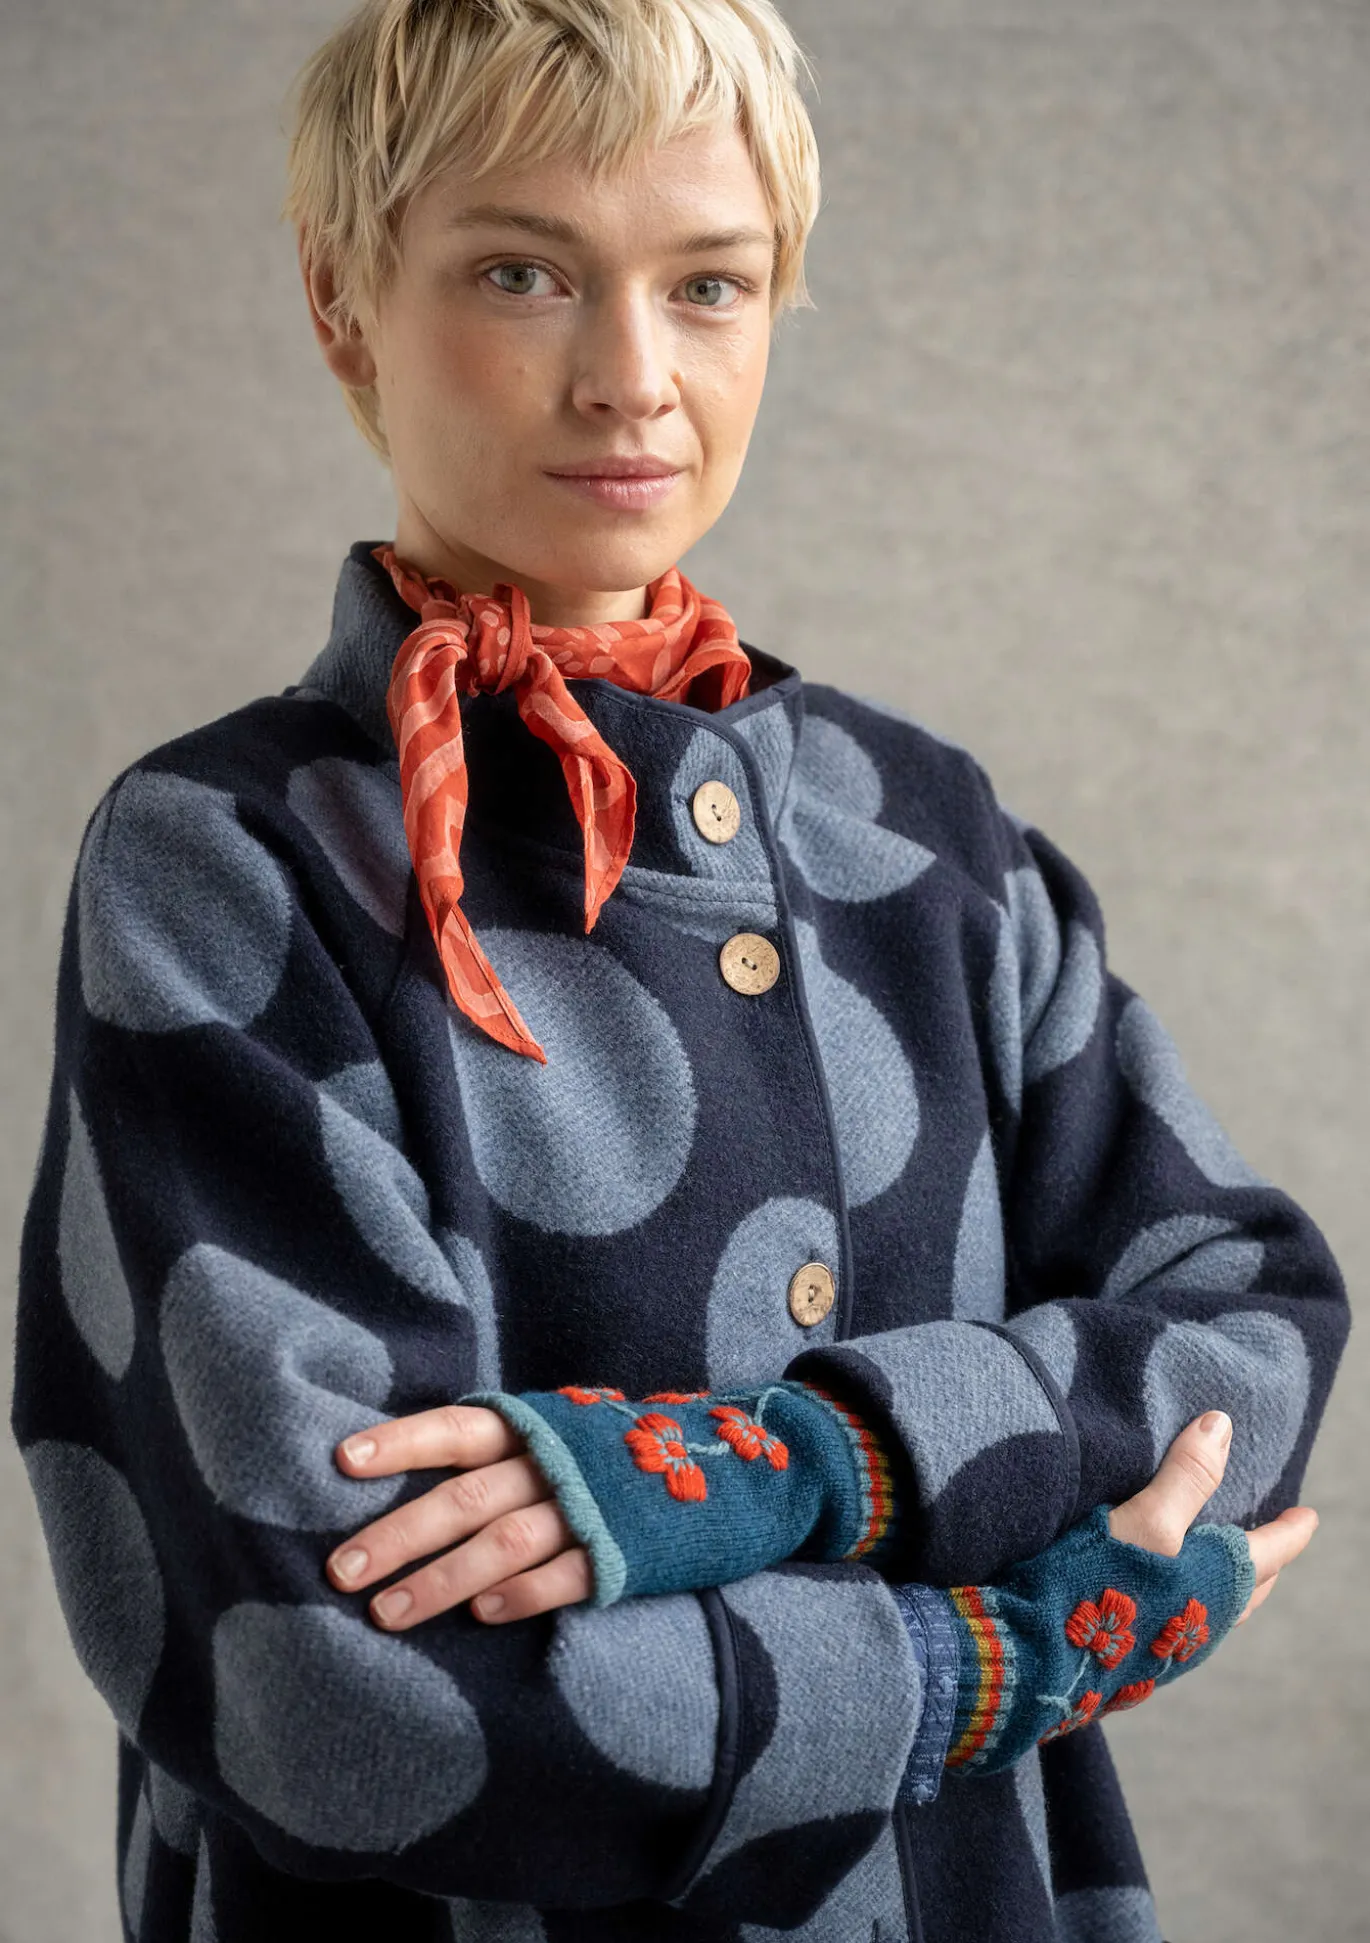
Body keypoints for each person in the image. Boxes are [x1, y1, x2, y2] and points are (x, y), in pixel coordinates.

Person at [11, 2, 1347, 1939]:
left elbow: (1247, 1331)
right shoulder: (228, 863)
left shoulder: (931, 837)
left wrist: (778, 1465)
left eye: (707, 284)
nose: (629, 377)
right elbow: (331, 1690)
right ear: (340, 300)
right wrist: (997, 1655)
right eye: (522, 273)